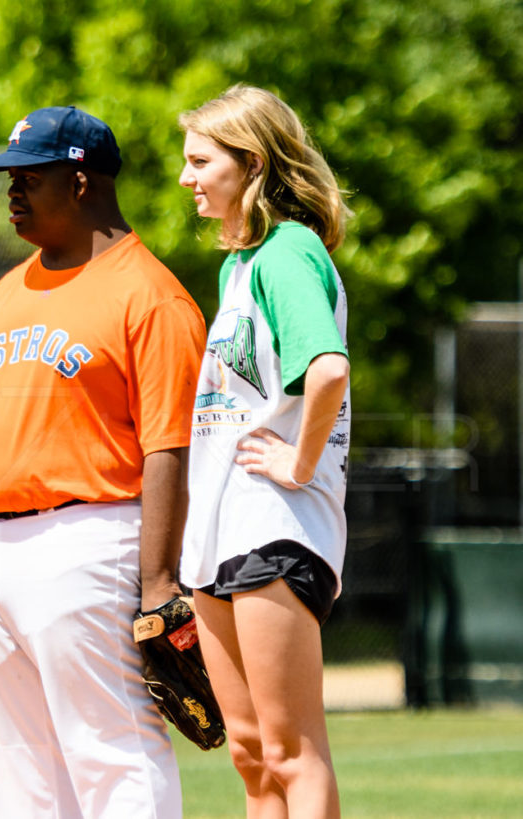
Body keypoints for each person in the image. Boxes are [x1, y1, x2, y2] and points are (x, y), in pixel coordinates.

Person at [0, 106, 207, 818]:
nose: (11, 192)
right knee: (15, 763)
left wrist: (157, 583)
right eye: (9, 179)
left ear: (81, 179)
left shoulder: (151, 295)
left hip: (89, 540)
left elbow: (168, 447)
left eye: (29, 177)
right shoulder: (6, 291)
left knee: (112, 750)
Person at [176, 84, 352, 818]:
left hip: (274, 522)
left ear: (249, 162)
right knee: (250, 756)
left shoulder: (288, 250)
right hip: (221, 528)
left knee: (290, 751)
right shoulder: (238, 265)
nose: (187, 178)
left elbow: (329, 370)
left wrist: (299, 463)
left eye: (200, 160)